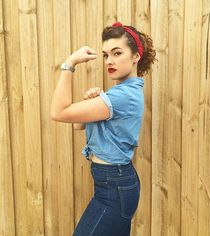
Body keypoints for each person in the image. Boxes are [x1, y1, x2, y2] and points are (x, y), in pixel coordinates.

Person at [50, 21, 157, 236]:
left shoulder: (122, 96)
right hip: (113, 184)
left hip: (114, 188)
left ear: (136, 56)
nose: (110, 60)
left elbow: (58, 113)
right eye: (106, 55)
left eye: (117, 53)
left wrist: (69, 63)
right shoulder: (120, 93)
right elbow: (77, 125)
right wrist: (92, 101)